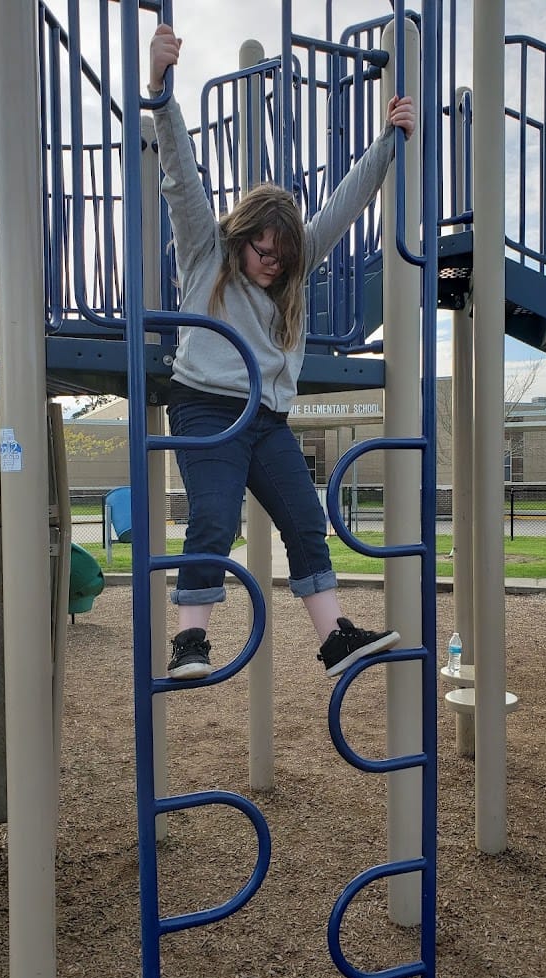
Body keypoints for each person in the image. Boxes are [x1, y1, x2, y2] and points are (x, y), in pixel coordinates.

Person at [149, 24, 415, 680]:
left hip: (265, 419)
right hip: (207, 408)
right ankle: (189, 642)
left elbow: (343, 207)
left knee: (305, 518)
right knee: (213, 516)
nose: (270, 263)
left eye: (282, 254)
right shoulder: (207, 253)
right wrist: (159, 92)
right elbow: (181, 178)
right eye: (261, 250)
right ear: (240, 235)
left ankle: (335, 639)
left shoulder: (294, 270)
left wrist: (390, 140)